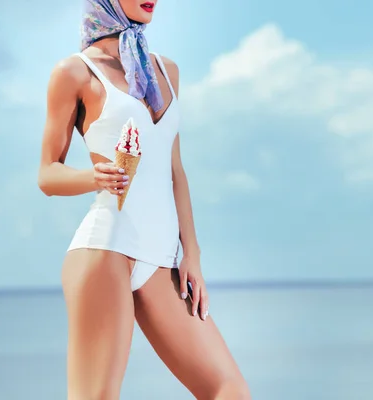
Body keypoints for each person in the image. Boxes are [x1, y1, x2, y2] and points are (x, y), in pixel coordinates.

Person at [37, 1, 251, 399]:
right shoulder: (75, 72)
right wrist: (92, 177)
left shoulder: (166, 72)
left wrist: (192, 255)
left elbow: (175, 171)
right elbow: (48, 174)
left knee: (230, 390)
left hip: (162, 258)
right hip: (105, 249)